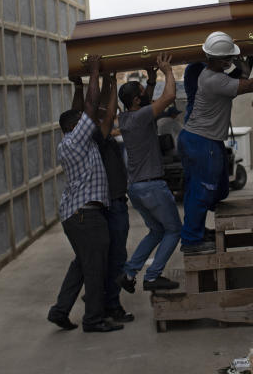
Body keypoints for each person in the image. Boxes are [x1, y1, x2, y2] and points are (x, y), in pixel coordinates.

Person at [178, 32, 253, 254]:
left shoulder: (210, 74)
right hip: (201, 141)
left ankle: (195, 230)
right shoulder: (213, 79)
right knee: (203, 189)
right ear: (218, 60)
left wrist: (250, 55)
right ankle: (192, 241)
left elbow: (239, 75)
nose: (230, 61)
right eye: (228, 58)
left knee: (215, 188)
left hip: (202, 139)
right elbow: (248, 84)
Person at [47, 55, 123, 333]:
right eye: (81, 122)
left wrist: (80, 86)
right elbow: (90, 108)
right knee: (95, 268)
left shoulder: (76, 141)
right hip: (86, 216)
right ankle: (93, 319)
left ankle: (60, 310)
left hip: (78, 216)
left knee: (81, 264)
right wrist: (94, 72)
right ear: (72, 128)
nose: (87, 122)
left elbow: (81, 109)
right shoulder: (75, 141)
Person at [115, 53, 183, 292]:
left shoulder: (126, 117)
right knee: (174, 230)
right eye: (143, 94)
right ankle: (152, 277)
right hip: (152, 186)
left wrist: (151, 79)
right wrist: (166, 71)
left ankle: (129, 272)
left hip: (135, 188)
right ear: (136, 100)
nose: (146, 97)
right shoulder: (142, 116)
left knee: (156, 231)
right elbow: (170, 96)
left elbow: (147, 102)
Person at [89, 72, 135, 323]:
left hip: (114, 201)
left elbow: (107, 110)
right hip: (112, 203)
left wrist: (108, 81)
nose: (111, 113)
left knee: (106, 257)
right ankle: (111, 304)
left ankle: (99, 299)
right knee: (116, 256)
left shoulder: (97, 133)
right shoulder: (97, 134)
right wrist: (111, 81)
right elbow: (108, 112)